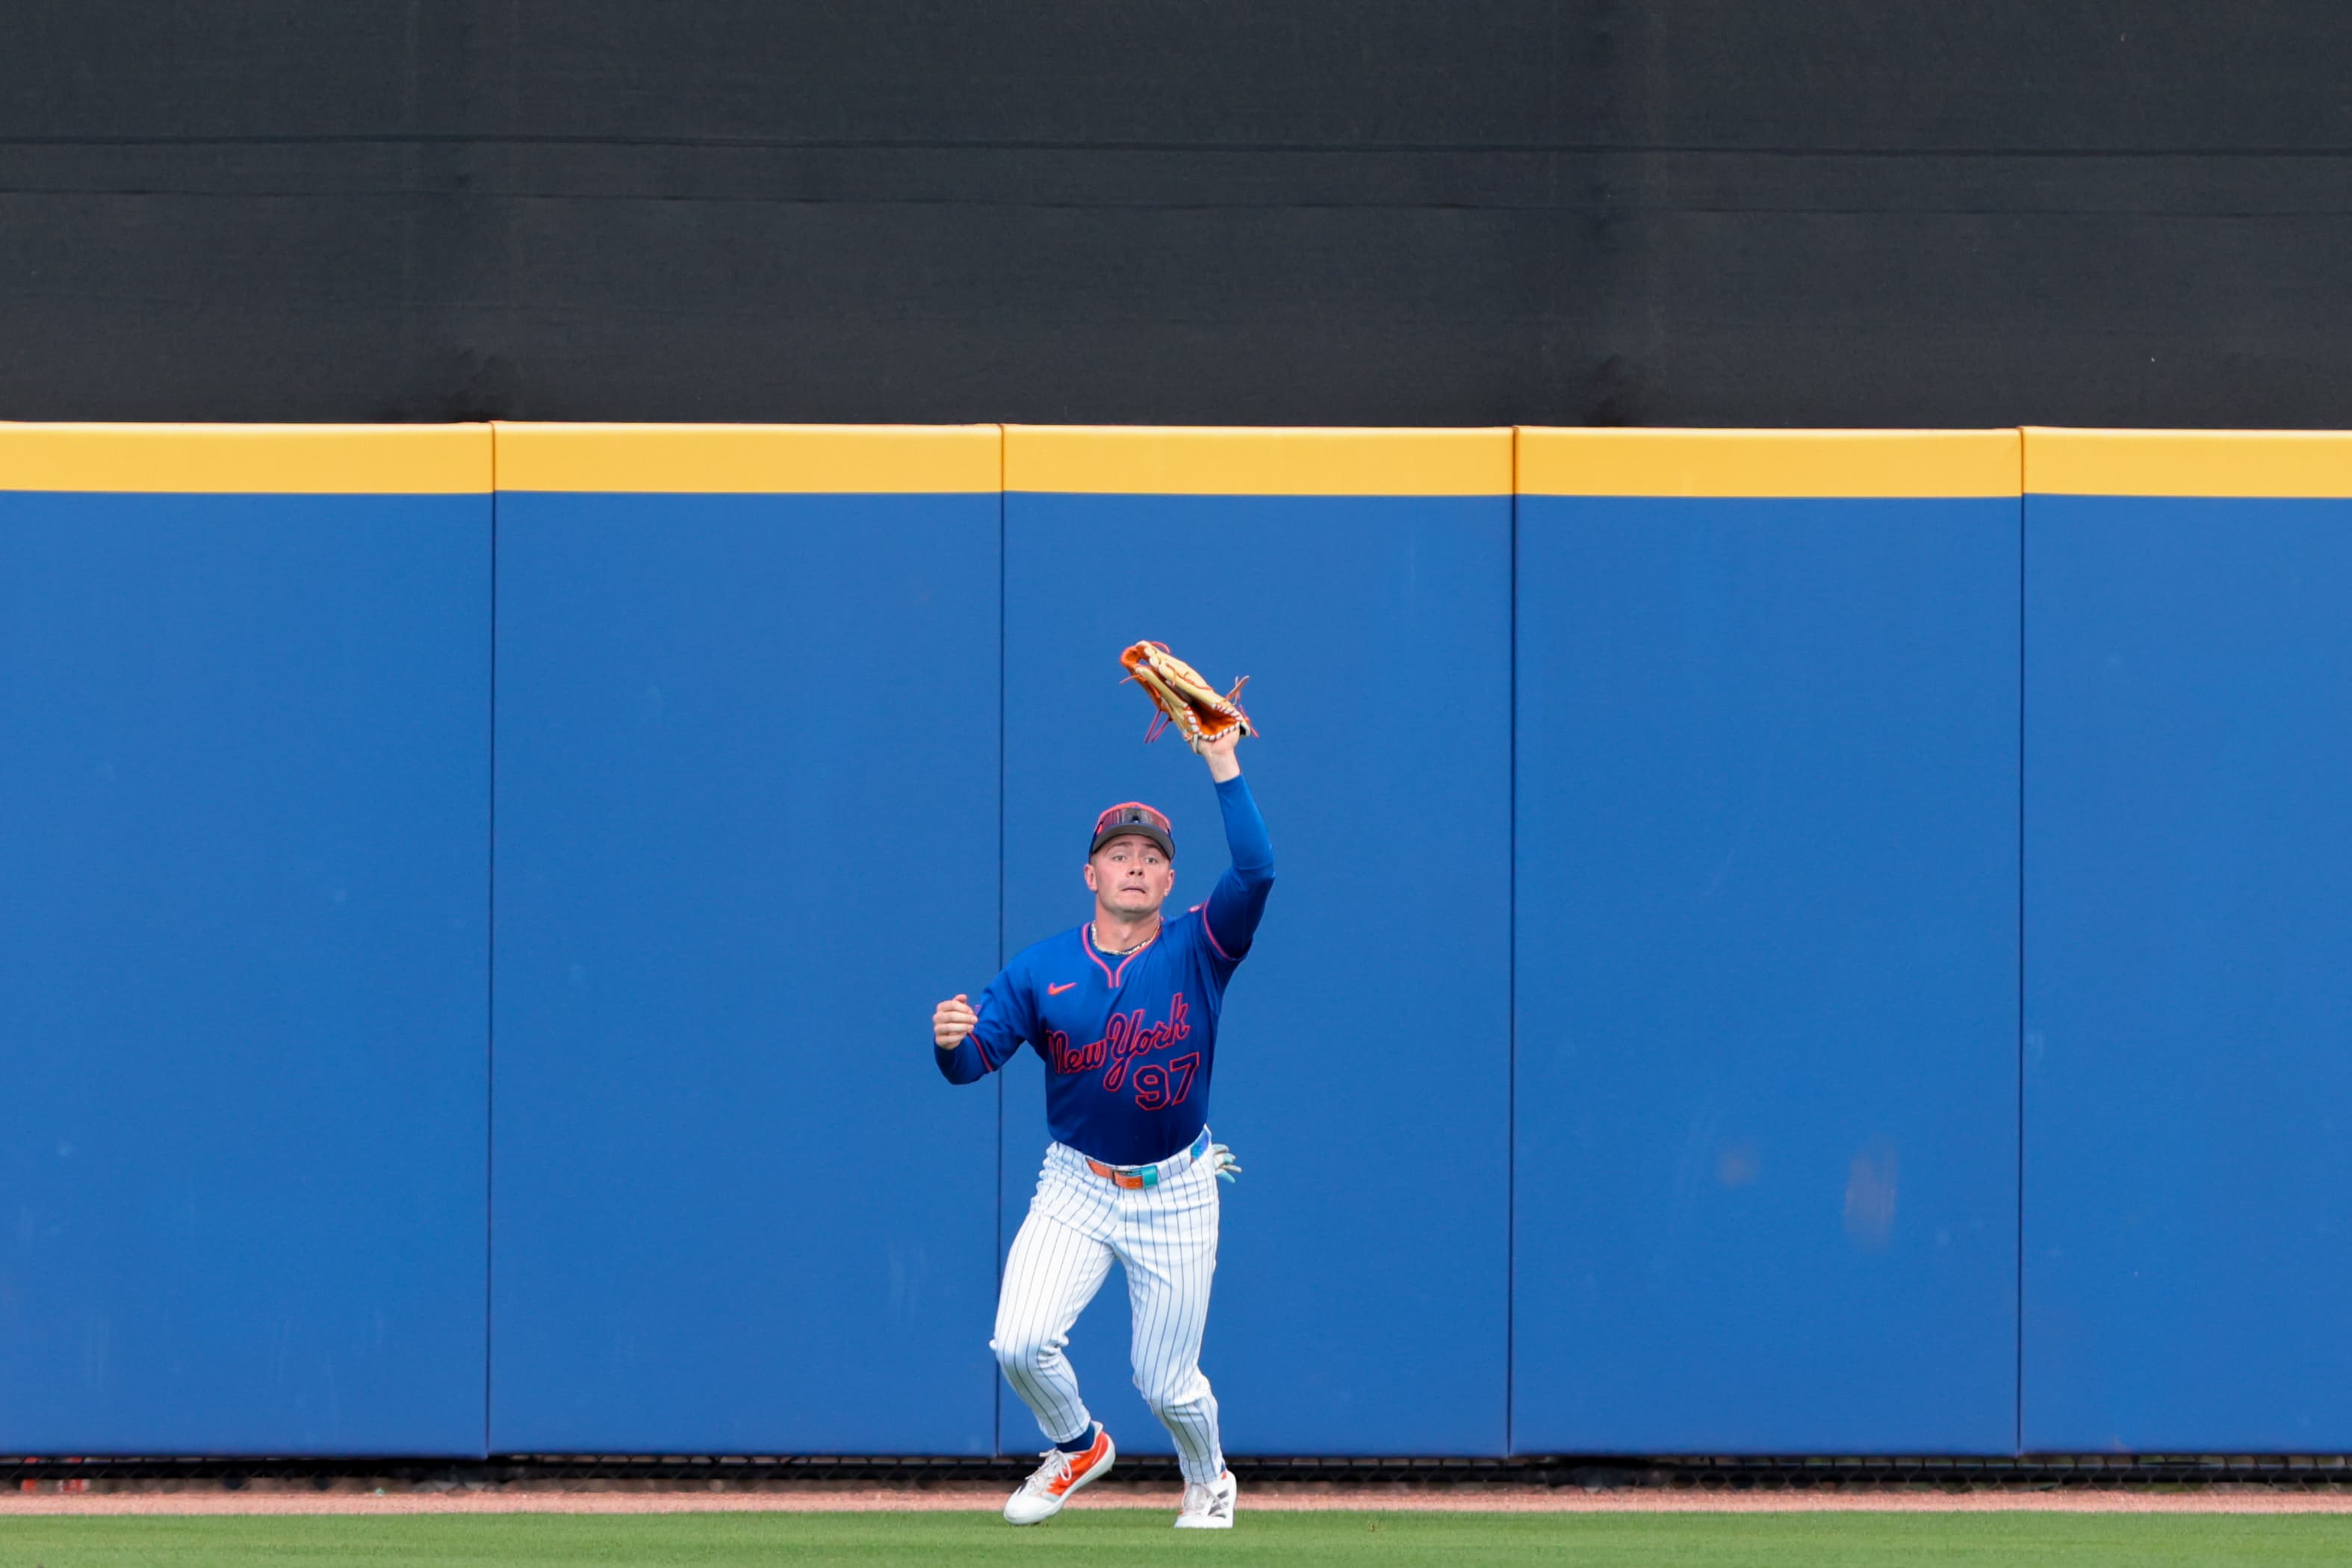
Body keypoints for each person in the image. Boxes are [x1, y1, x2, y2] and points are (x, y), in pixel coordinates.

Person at [932, 726, 1273, 1530]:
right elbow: (972, 1063)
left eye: (1151, 856)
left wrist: (1221, 761)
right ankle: (1077, 1445)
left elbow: (1256, 870)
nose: (1135, 865)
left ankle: (1208, 1478)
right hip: (1077, 1185)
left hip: (1178, 1188)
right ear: (1091, 873)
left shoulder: (1201, 947)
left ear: (1168, 880)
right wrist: (948, 1043)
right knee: (1018, 1343)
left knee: (1165, 1384)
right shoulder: (1041, 967)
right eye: (1119, 854)